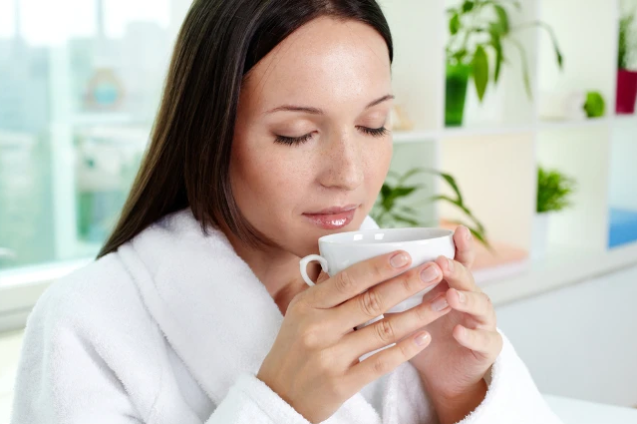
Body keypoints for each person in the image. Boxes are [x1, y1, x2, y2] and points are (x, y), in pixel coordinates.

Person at [11, 1, 563, 423]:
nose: (349, 174)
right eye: (296, 134)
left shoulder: (413, 294)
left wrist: (459, 392)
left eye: (374, 125)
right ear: (210, 133)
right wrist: (281, 405)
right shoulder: (86, 323)